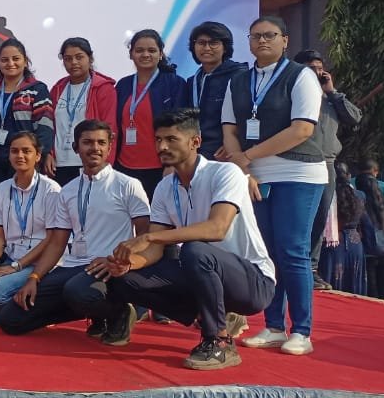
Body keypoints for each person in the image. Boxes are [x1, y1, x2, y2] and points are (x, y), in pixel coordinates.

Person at [107, 108, 275, 370]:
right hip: (202, 272)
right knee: (125, 280)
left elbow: (217, 229)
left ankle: (219, 341)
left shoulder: (225, 173)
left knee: (195, 250)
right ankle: (209, 314)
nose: (162, 146)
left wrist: (150, 236)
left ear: (195, 141)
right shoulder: (164, 187)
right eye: (158, 139)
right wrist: (127, 264)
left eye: (171, 139)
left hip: (253, 281)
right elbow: (154, 252)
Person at [220, 16, 324, 356]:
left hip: (298, 172)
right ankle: (275, 326)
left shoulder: (301, 75)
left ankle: (302, 332)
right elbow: (229, 129)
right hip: (254, 176)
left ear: (285, 40)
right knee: (265, 252)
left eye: (270, 35)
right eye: (256, 36)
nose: (262, 41)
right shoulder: (238, 80)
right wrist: (243, 168)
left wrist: (247, 156)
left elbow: (302, 130)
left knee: (292, 250)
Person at [0, 120, 151, 337]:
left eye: (101, 143)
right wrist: (34, 278)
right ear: (76, 147)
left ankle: (119, 313)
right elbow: (57, 243)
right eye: (87, 142)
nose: (95, 148)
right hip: (73, 266)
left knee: (76, 290)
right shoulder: (67, 191)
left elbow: (144, 235)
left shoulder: (127, 185)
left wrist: (122, 261)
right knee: (10, 319)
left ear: (109, 147)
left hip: (108, 266)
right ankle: (94, 313)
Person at [0, 132, 62, 324]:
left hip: (40, 263)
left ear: (37, 156)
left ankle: (41, 301)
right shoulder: (1, 189)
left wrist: (18, 265)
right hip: (12, 259)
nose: (20, 155)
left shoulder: (51, 190)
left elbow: (51, 238)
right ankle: (27, 305)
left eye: (26, 151)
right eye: (15, 151)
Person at [293, 49, 362, 290]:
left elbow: (355, 117)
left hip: (327, 164)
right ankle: (291, 267)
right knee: (298, 219)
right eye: (311, 68)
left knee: (319, 218)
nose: (317, 72)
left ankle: (311, 269)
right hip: (298, 163)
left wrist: (332, 91)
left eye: (320, 68)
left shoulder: (330, 99)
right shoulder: (292, 95)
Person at [115, 29, 186, 199]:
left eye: (152, 50)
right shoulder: (123, 85)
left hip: (160, 167)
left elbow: (181, 127)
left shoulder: (174, 84)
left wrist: (172, 163)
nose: (145, 54)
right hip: (124, 167)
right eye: (139, 50)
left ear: (160, 54)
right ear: (131, 54)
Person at [0, 39, 53, 184]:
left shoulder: (37, 90)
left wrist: (37, 157)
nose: (10, 63)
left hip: (24, 161)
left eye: (16, 59)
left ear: (25, 61)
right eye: (4, 60)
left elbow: (45, 128)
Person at [47, 38, 119, 185]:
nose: (73, 62)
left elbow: (110, 129)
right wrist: (49, 153)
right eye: (68, 59)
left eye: (79, 57)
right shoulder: (58, 88)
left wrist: (106, 165)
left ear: (90, 58)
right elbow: (50, 125)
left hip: (90, 162)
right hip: (59, 164)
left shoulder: (103, 88)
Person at [184, 22, 247, 159]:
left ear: (225, 48)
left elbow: (246, 114)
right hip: (196, 152)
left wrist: (232, 143)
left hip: (226, 152)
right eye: (201, 43)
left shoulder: (240, 76)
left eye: (213, 43)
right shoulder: (192, 81)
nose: (207, 48)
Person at [319, 163, 367, 295]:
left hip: (332, 243)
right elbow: (366, 223)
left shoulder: (326, 195)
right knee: (354, 286)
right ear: (349, 176)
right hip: (355, 244)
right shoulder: (360, 195)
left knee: (331, 287)